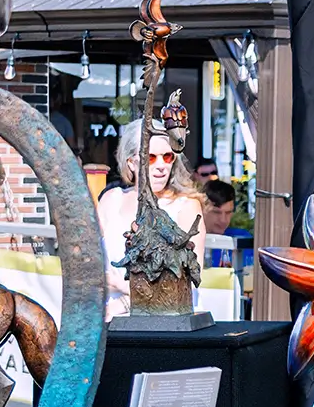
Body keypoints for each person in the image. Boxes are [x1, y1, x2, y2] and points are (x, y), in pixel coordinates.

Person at [97, 119, 207, 319]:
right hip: (107, 324)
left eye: (167, 157)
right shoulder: (111, 200)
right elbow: (88, 265)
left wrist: (122, 292)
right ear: (131, 162)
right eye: (151, 157)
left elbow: (185, 282)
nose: (161, 166)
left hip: (167, 324)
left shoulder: (186, 206)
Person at [201, 179, 253, 269]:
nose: (223, 220)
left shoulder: (242, 239)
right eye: (216, 212)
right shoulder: (190, 241)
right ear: (202, 210)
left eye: (228, 212)